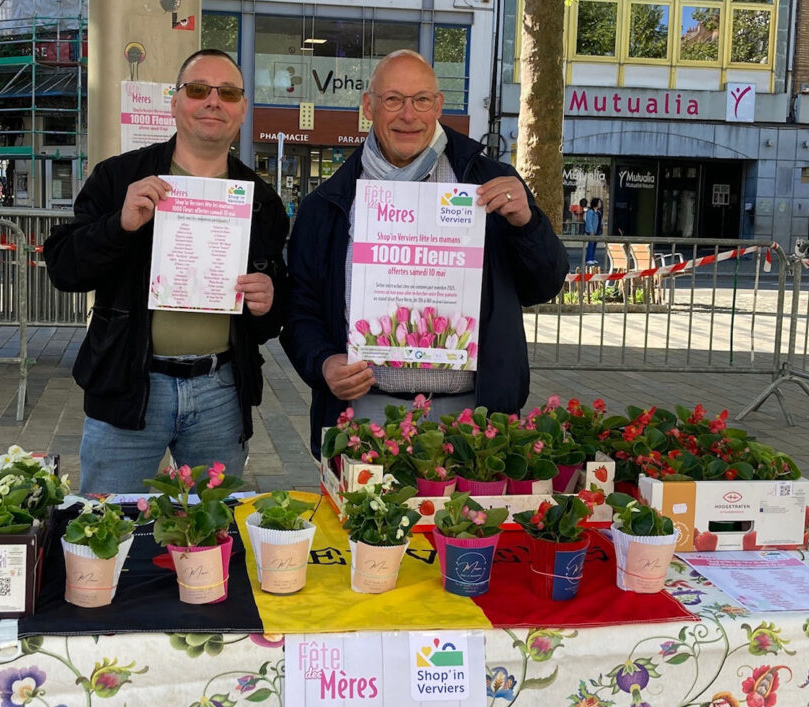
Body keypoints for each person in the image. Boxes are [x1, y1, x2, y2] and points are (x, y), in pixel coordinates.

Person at [280, 49, 569, 458]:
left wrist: (527, 223)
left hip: (473, 418)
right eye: (393, 99)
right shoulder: (328, 203)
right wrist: (324, 362)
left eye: (421, 100)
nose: (408, 115)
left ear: (438, 105)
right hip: (366, 415)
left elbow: (545, 285)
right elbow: (299, 308)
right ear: (369, 106)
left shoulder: (490, 184)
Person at [44, 49, 289, 493]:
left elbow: (270, 317)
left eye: (228, 93)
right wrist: (118, 225)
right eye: (198, 90)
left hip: (220, 391)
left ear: (242, 109)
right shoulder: (119, 178)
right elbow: (63, 268)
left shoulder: (262, 201)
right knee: (110, 523)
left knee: (212, 526)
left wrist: (269, 302)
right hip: (128, 384)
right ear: (174, 102)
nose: (213, 101)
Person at [585, 197, 603, 265]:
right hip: (592, 231)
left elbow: (600, 221)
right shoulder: (590, 212)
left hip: (597, 230)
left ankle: (592, 258)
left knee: (594, 245)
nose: (600, 204)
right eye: (599, 202)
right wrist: (591, 230)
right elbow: (589, 222)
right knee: (591, 244)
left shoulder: (598, 212)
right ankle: (588, 258)